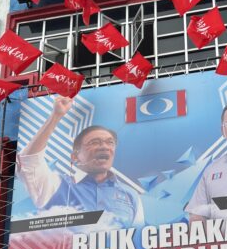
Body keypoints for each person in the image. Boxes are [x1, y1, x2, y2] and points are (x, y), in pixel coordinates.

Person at [17, 95, 144, 230]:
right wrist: (56, 116)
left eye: (110, 142)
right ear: (75, 157)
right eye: (94, 142)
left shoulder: (130, 195)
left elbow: (138, 238)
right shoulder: (56, 185)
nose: (104, 147)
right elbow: (29, 160)